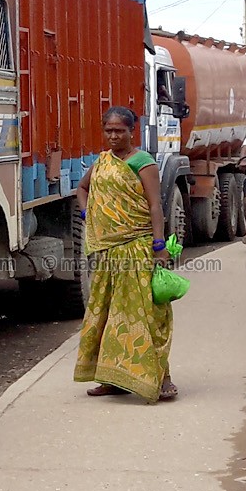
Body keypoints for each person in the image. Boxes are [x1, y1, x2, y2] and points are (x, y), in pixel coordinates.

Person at [73, 106, 176, 402]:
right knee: (107, 314)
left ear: (132, 131)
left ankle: (162, 378)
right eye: (109, 131)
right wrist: (89, 212)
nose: (114, 136)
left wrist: (159, 247)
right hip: (109, 253)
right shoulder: (103, 161)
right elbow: (82, 188)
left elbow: (155, 206)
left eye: (120, 131)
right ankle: (112, 377)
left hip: (138, 248)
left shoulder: (143, 162)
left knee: (145, 314)